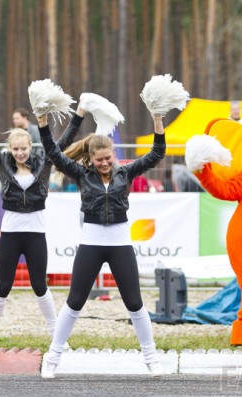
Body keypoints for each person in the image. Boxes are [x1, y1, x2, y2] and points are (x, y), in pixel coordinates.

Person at [37, 111, 167, 378]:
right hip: (91, 242)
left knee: (135, 303)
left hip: (120, 243)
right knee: (75, 302)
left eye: (108, 158)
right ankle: (53, 357)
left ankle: (151, 357)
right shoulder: (81, 174)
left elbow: (156, 154)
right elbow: (53, 153)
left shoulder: (126, 172)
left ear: (114, 155)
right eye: (99, 160)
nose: (105, 163)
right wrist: (42, 124)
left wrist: (157, 120)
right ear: (90, 159)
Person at [0, 100, 85, 350]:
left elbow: (65, 140)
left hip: (35, 233)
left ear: (30, 146)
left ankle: (57, 336)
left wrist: (79, 113)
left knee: (40, 286)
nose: (20, 153)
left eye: (23, 149)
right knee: (4, 285)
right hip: (11, 233)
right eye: (15, 149)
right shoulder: (1, 161)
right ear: (10, 148)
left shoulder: (44, 160)